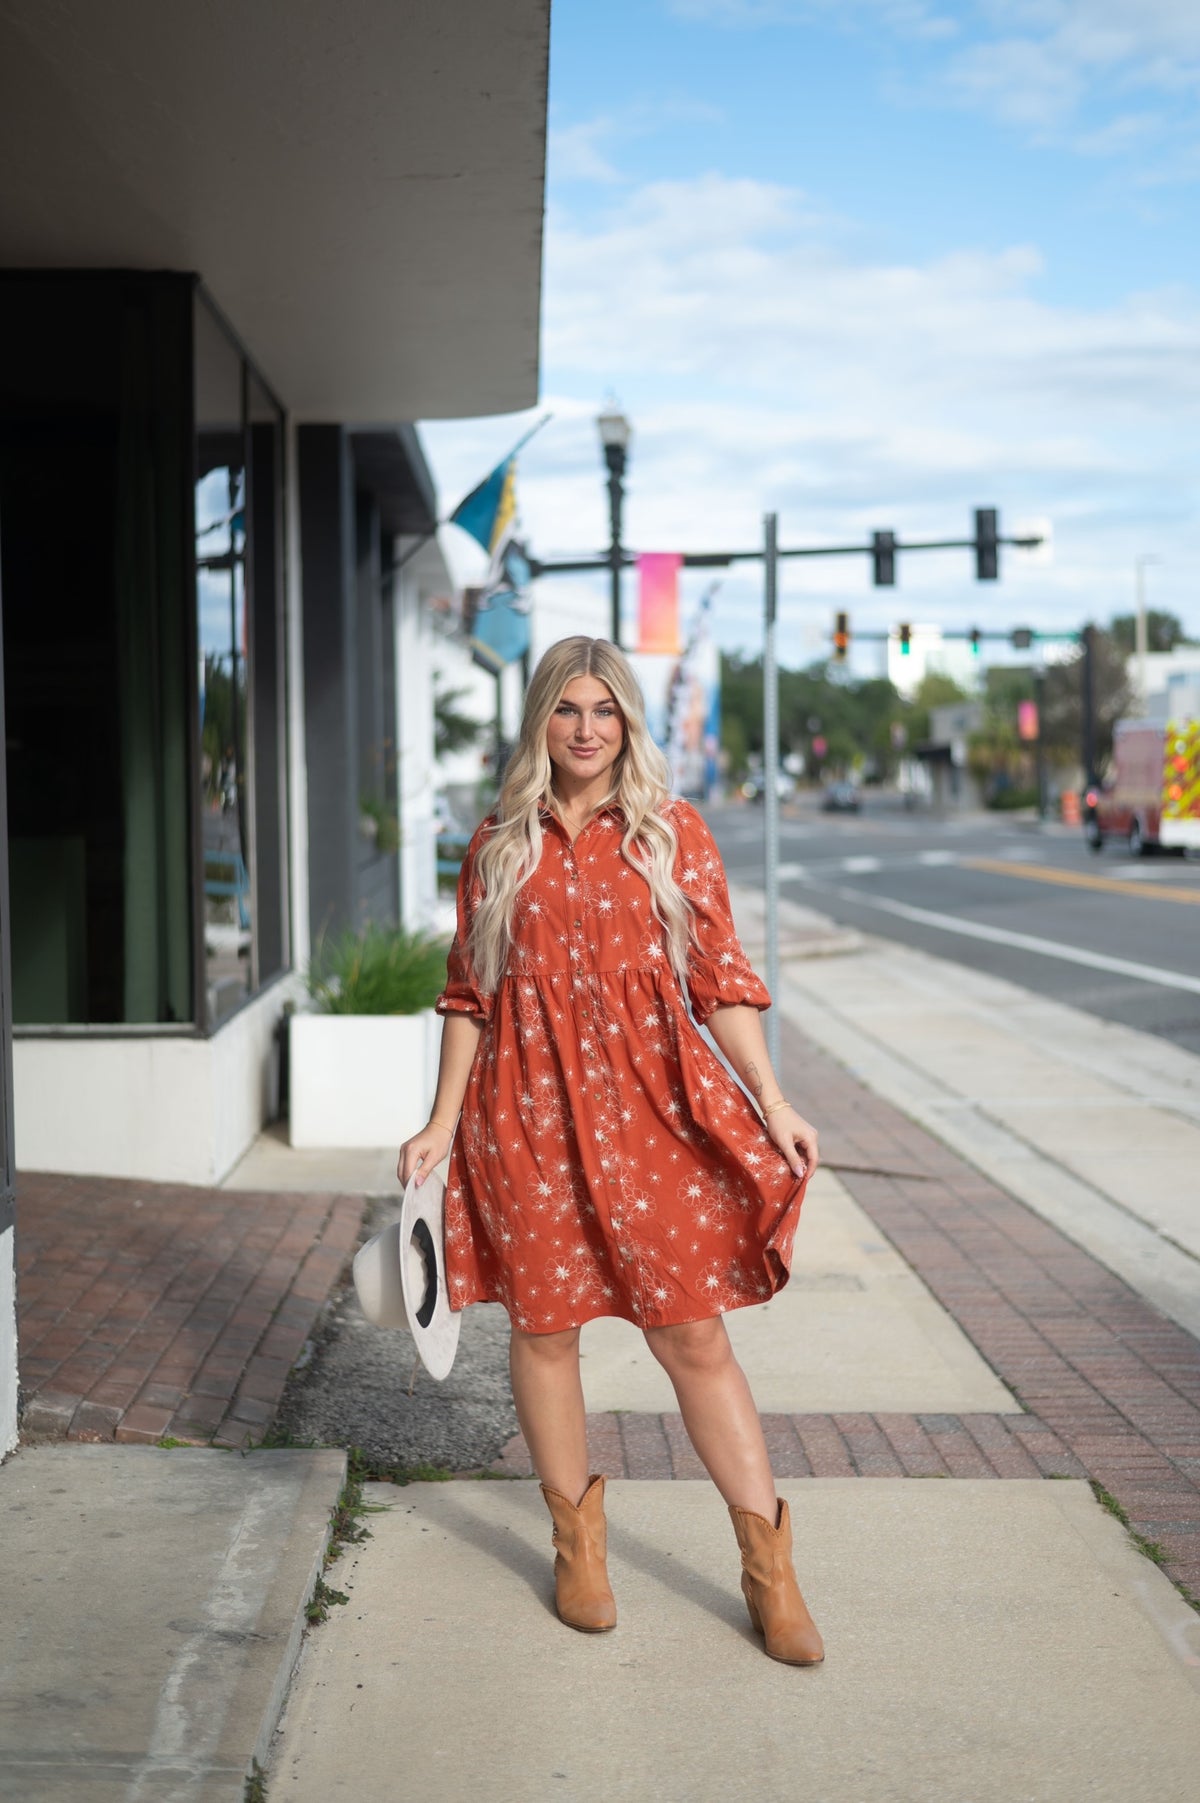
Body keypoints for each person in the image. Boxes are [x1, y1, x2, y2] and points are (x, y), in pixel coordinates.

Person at [398, 636, 824, 1665]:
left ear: (627, 723)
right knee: (545, 1331)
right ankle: (576, 1547)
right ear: (541, 720)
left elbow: (720, 978)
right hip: (527, 1115)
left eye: (605, 711)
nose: (586, 730)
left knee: (693, 1336)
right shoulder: (499, 841)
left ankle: (770, 1569)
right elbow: (470, 994)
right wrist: (442, 1120)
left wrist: (770, 1098)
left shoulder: (671, 834)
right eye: (567, 710)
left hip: (652, 1114)